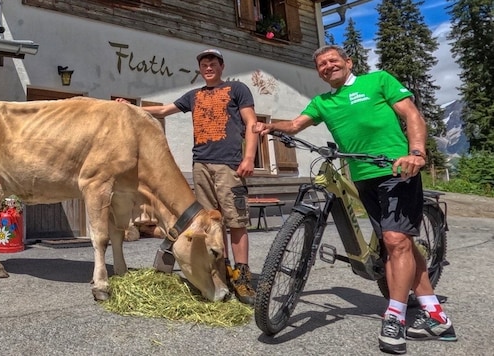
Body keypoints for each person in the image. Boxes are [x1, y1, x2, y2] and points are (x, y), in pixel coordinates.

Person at [254, 45, 457, 354]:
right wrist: (269, 125)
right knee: (396, 244)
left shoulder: (378, 81)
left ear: (348, 63)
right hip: (362, 177)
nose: (327, 66)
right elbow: (295, 125)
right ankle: (437, 318)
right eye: (321, 64)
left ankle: (395, 318)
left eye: (333, 60)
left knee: (394, 241)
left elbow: (412, 114)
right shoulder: (323, 102)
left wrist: (416, 151)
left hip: (397, 169)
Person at [117, 49, 259, 305]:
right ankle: (223, 268)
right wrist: (132, 107)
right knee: (210, 222)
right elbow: (163, 110)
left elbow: (252, 124)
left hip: (229, 165)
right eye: (204, 65)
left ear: (221, 66)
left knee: (236, 220)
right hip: (201, 165)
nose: (208, 68)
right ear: (200, 69)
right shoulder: (194, 96)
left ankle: (243, 274)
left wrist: (249, 158)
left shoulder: (238, 90)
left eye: (212, 64)